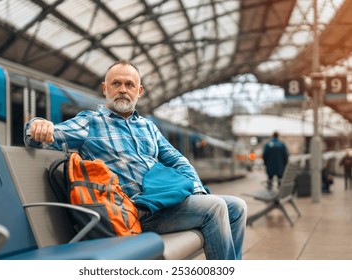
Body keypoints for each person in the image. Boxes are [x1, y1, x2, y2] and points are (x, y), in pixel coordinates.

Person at [23, 60, 247, 260]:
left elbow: (178, 161)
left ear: (139, 91)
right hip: (136, 212)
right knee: (215, 207)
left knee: (237, 207)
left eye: (129, 85)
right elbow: (43, 135)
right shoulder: (90, 122)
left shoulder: (148, 126)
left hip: (167, 203)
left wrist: (196, 192)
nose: (123, 89)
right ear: (105, 88)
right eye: (116, 84)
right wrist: (37, 124)